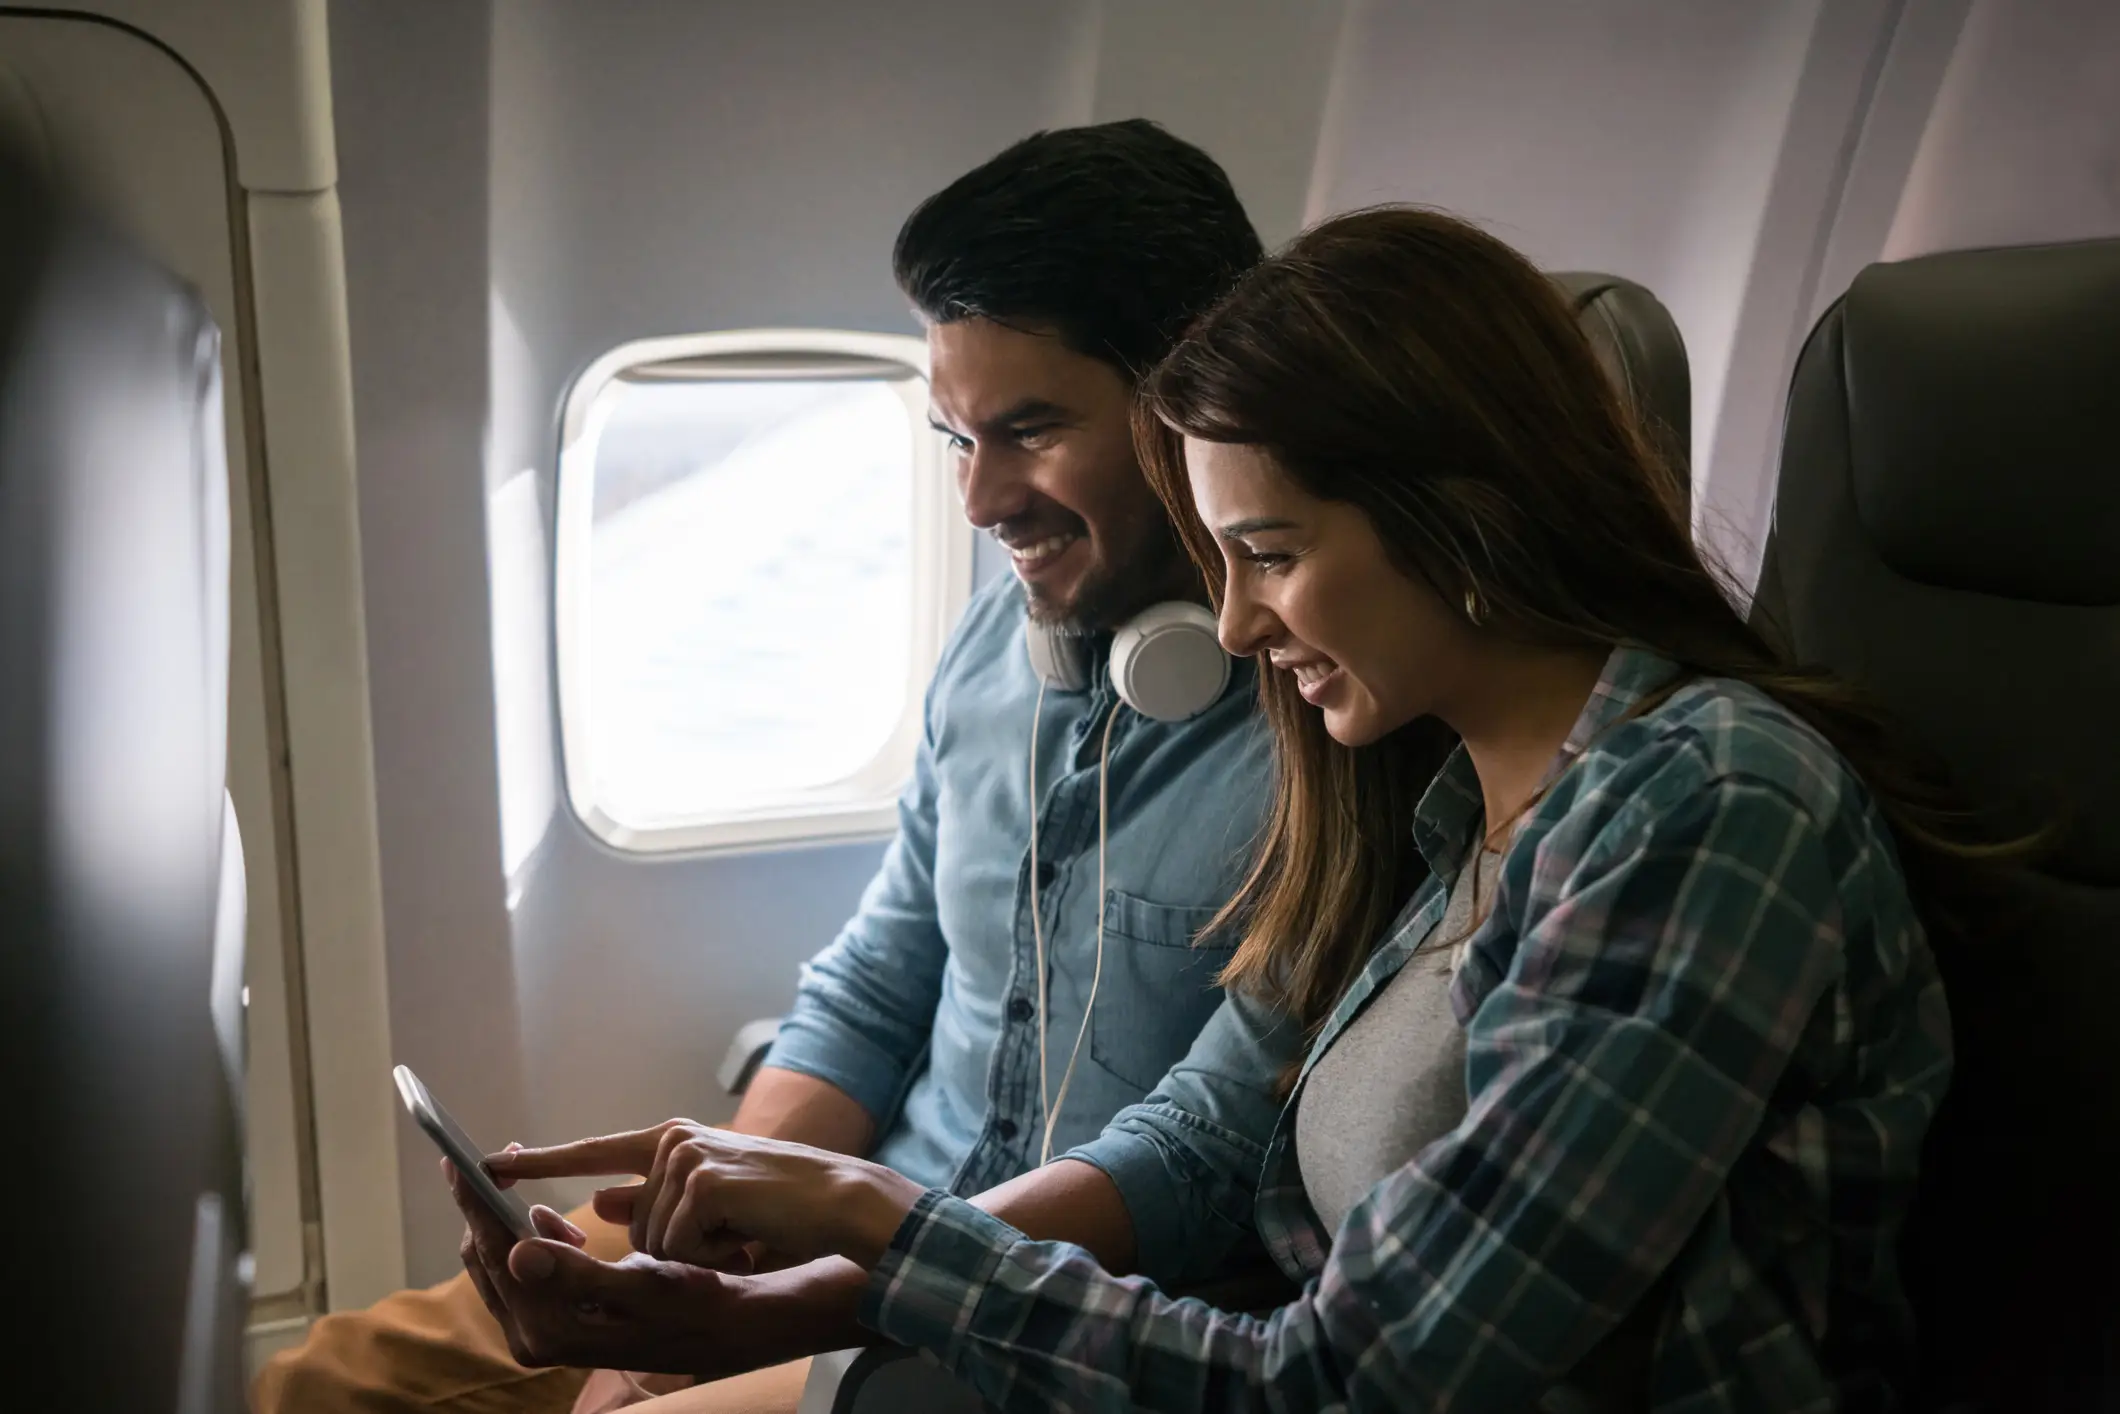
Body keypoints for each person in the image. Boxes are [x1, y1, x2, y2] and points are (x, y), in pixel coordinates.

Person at [471, 207, 1987, 1412]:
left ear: (1463, 512)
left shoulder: (1708, 814)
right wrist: (778, 1292)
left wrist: (879, 1225)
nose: (1242, 628)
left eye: (1268, 550)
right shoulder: (1452, 805)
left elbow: (1356, 1378)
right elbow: (1216, 1163)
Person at [254, 119, 1286, 1414]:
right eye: (956, 440)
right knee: (327, 1381)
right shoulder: (995, 651)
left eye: (1029, 430)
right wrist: (714, 1215)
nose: (979, 501)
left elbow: (1202, 1157)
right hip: (839, 1223)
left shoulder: (1322, 736)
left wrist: (750, 1307)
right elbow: (876, 984)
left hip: (1008, 1305)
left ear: (1193, 405)